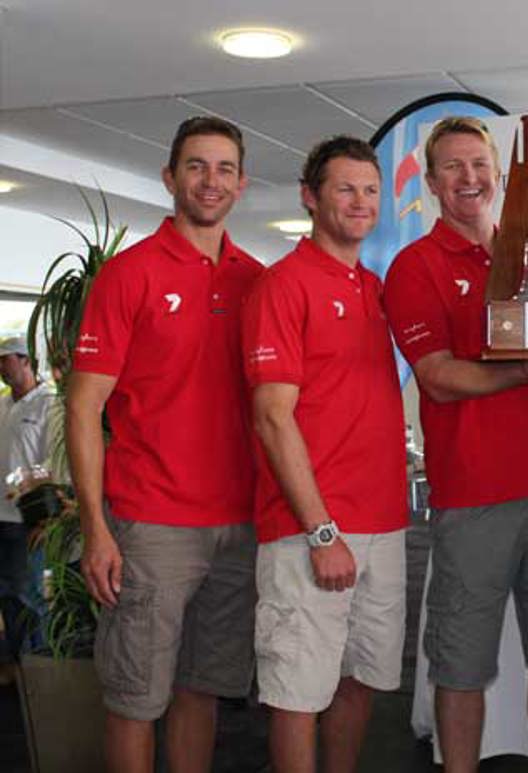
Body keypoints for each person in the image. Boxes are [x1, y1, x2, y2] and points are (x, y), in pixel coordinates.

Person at [383, 116, 528, 773]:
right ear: (430, 183)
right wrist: (524, 374)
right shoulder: (414, 266)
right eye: (452, 167)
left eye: (479, 164)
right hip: (472, 495)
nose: (468, 178)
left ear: (499, 176)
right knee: (460, 663)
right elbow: (439, 377)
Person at [66, 116, 263, 773]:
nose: (211, 181)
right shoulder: (130, 274)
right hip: (151, 526)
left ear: (243, 183)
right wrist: (96, 526)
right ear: (169, 177)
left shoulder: (256, 280)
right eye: (197, 166)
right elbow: (84, 404)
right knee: (134, 698)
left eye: (225, 168)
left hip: (238, 524)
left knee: (200, 688)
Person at [242, 136, 408, 773]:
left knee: (359, 679)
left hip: (383, 525)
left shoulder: (372, 287)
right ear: (310, 198)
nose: (360, 202)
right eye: (345, 188)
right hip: (309, 531)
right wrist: (321, 531)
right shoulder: (283, 286)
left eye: (370, 190)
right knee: (295, 693)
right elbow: (271, 417)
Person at [0, 335, 55, 672]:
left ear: (25, 360)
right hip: (0, 517)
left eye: (5, 360)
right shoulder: (4, 404)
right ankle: (16, 662)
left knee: (32, 593)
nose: (1, 367)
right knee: (7, 593)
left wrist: (26, 477)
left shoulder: (50, 403)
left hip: (30, 519)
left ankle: (41, 669)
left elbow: (57, 461)